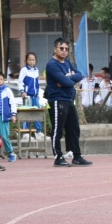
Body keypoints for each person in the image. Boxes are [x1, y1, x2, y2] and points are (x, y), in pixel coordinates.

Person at [45, 38, 93, 167]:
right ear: (55, 49)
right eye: (61, 48)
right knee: (58, 129)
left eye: (66, 49)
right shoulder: (52, 64)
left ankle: (76, 156)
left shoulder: (67, 62)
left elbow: (79, 75)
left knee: (74, 129)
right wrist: (68, 80)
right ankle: (58, 157)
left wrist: (67, 78)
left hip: (69, 99)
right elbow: (66, 82)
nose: (64, 51)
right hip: (57, 99)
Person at [18, 52, 44, 139]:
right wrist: (22, 91)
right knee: (27, 114)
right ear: (26, 60)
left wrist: (38, 93)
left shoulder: (36, 70)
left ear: (35, 61)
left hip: (35, 96)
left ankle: (38, 132)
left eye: (33, 60)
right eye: (29, 60)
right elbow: (20, 82)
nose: (31, 61)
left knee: (37, 113)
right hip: (27, 96)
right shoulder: (24, 70)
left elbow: (37, 84)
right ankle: (25, 133)